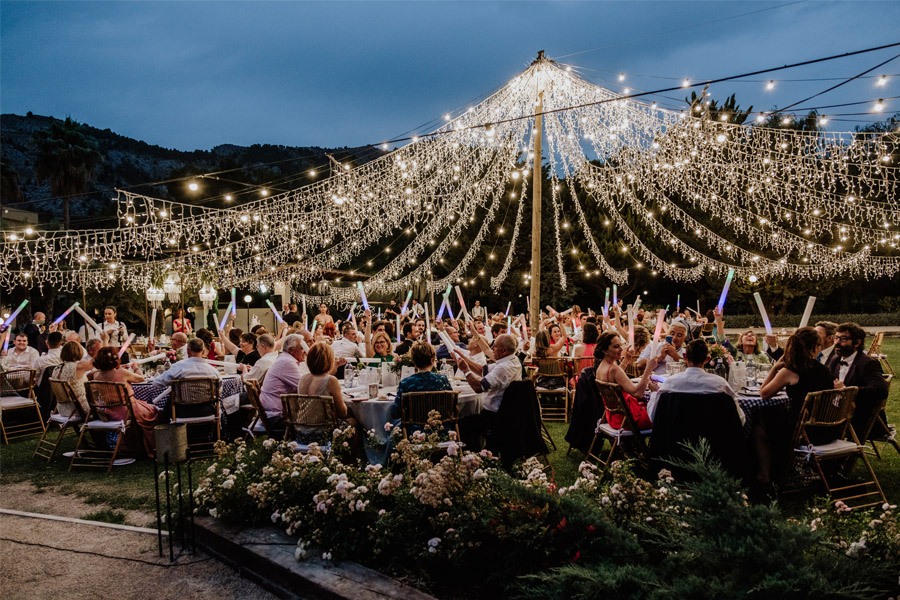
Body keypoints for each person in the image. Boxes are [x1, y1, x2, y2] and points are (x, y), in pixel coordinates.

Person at [757, 327, 833, 486]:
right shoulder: (824, 370)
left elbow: (764, 393)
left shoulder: (791, 370)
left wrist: (774, 368)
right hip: (827, 429)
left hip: (803, 431)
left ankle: (765, 475)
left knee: (759, 422)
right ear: (815, 347)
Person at [648, 339, 745, 424]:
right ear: (707, 359)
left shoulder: (670, 384)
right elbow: (739, 419)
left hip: (676, 440)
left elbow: (654, 416)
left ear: (685, 357)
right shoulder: (720, 384)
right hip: (714, 440)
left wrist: (653, 393)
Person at [90, 346, 159, 456]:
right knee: (154, 411)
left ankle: (130, 445)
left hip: (109, 412)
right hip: (128, 411)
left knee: (149, 408)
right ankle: (147, 446)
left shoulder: (96, 375)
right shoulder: (122, 373)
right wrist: (136, 367)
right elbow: (141, 378)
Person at [826, 322, 889, 442]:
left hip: (859, 417)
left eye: (843, 339)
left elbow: (880, 390)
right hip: (835, 412)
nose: (837, 342)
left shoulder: (867, 363)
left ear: (857, 343)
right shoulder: (835, 359)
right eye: (836, 338)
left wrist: (846, 390)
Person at [456, 334, 521, 431]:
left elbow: (478, 388)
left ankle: (474, 446)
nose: (492, 348)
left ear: (504, 350)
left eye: (495, 346)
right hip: (506, 412)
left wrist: (465, 370)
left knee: (458, 423)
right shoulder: (513, 360)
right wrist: (463, 358)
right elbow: (482, 370)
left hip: (494, 415)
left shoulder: (504, 368)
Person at [594, 331, 657, 430]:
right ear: (605, 350)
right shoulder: (614, 369)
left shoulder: (601, 368)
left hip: (614, 417)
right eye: (616, 347)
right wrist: (648, 370)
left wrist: (627, 358)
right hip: (629, 420)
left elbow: (616, 376)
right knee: (662, 411)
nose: (621, 349)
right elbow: (638, 393)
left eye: (620, 345)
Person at [294, 342, 349, 444]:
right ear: (329, 360)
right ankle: (346, 458)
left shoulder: (303, 378)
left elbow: (321, 377)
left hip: (301, 432)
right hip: (323, 434)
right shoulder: (331, 381)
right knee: (354, 423)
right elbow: (342, 413)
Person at [390, 341, 452, 419]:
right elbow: (451, 405)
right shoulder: (442, 380)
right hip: (440, 425)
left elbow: (395, 413)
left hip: (413, 429)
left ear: (413, 361)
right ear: (432, 360)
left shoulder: (406, 383)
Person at [259, 334, 309, 418]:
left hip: (272, 410)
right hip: (277, 415)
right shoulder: (287, 362)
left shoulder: (286, 359)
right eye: (302, 348)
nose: (305, 351)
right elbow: (305, 388)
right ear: (291, 350)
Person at [50, 341, 93, 417]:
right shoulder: (77, 367)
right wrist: (105, 341)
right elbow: (99, 361)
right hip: (78, 409)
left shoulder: (57, 368)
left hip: (62, 409)